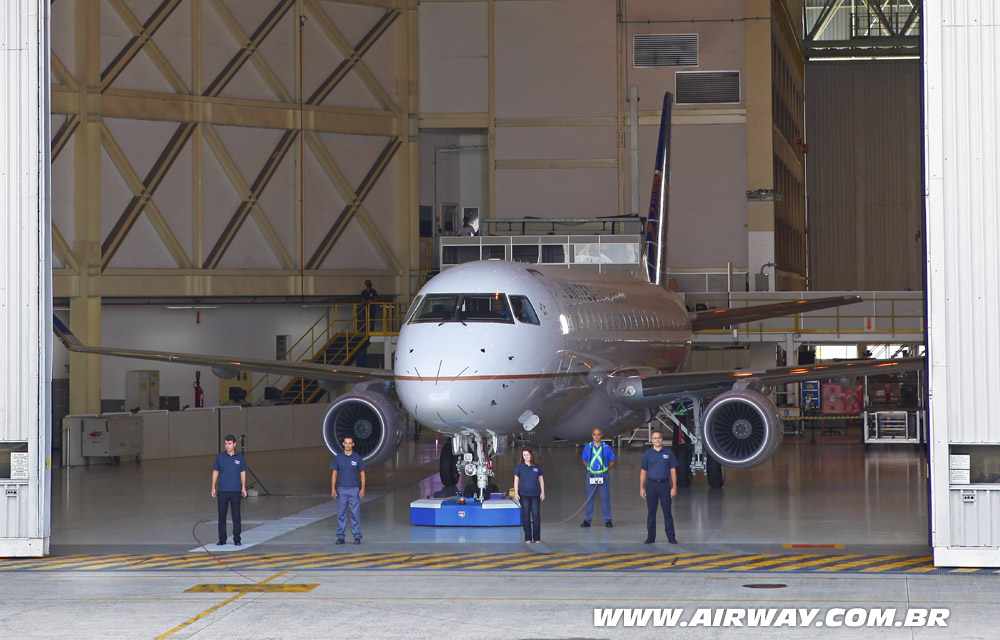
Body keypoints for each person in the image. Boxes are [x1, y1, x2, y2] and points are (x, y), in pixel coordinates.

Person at [640, 429, 678, 544]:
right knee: (651, 512)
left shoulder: (669, 453)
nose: (657, 440)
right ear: (652, 440)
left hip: (664, 485)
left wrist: (674, 487)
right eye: (655, 438)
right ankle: (650, 538)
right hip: (651, 485)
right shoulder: (647, 454)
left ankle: (671, 538)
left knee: (667, 513)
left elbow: (673, 470)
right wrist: (641, 487)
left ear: (662, 440)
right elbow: (643, 471)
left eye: (659, 438)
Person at [211, 434, 247, 546]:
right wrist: (213, 487)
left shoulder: (240, 457)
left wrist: (243, 487)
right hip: (222, 491)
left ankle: (237, 539)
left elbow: (243, 472)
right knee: (222, 517)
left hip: (236, 491)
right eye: (226, 443)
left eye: (229, 443)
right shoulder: (220, 457)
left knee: (236, 517)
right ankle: (222, 539)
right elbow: (215, 471)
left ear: (234, 444)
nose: (227, 446)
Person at [330, 436, 366, 545]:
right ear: (343, 444)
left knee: (355, 514)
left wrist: (362, 488)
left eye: (350, 443)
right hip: (342, 489)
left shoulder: (357, 458)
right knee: (341, 514)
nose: (348, 445)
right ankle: (340, 537)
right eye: (346, 443)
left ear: (353, 444)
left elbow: (362, 474)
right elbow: (334, 474)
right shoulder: (338, 458)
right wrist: (333, 489)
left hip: (354, 489)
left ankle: (357, 536)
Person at [581, 428, 615, 527]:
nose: (596, 436)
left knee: (605, 498)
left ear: (601, 435)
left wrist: (606, 469)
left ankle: (607, 520)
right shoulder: (588, 447)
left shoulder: (606, 448)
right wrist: (588, 467)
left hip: (603, 475)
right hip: (591, 475)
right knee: (589, 498)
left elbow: (612, 460)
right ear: (592, 436)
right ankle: (587, 520)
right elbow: (584, 459)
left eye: (598, 434)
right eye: (594, 434)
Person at [513, 447, 545, 543]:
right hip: (524, 495)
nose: (526, 456)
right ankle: (528, 537)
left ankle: (536, 538)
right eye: (524, 455)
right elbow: (516, 480)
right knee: (526, 516)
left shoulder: (537, 467)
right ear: (522, 457)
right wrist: (516, 492)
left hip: (535, 495)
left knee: (536, 515)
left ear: (531, 455)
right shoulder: (519, 467)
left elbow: (541, 480)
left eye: (527, 454)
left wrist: (543, 492)